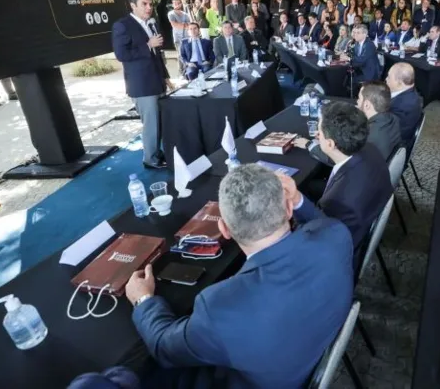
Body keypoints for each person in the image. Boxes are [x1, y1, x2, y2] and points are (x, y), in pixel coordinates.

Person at [127, 164, 353, 389]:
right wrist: (298, 200)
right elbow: (320, 224)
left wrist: (143, 300)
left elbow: (163, 348)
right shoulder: (336, 235)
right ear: (288, 209)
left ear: (224, 229)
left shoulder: (220, 307)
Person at [282, 102, 392, 251]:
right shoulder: (370, 148)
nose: (316, 135)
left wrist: (295, 201)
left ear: (330, 144)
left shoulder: (336, 200)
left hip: (345, 247)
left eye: (319, 133)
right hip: (368, 209)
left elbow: (323, 233)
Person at [112, 0, 174, 170]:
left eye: (150, 4)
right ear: (133, 6)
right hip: (142, 85)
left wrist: (165, 77)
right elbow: (121, 54)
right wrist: (148, 45)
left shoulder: (150, 24)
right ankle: (150, 159)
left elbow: (156, 54)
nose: (149, 8)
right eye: (144, 4)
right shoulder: (123, 25)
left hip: (157, 81)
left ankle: (157, 152)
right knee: (151, 123)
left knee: (159, 122)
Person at [296, 81, 401, 166]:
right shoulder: (393, 119)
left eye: (359, 99)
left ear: (367, 105)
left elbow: (340, 160)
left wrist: (309, 144)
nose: (357, 102)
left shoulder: (369, 138)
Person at [386, 62, 422, 143]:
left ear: (399, 82)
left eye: (389, 77)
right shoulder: (409, 93)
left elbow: (387, 129)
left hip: (393, 143)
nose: (386, 79)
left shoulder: (403, 105)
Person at [167, 0, 190, 74]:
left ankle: (188, 70)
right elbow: (174, 25)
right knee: (181, 55)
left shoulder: (185, 14)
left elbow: (189, 25)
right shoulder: (171, 14)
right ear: (172, 5)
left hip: (187, 37)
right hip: (178, 38)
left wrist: (183, 25)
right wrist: (184, 25)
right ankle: (182, 73)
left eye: (178, 3)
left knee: (187, 54)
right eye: (175, 3)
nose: (177, 4)